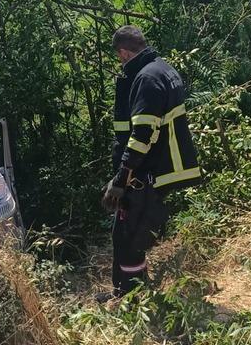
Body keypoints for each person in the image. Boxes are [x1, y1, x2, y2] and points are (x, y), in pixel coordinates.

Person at [97, 26, 201, 302]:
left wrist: (121, 179)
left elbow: (142, 135)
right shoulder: (163, 69)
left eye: (119, 57)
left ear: (123, 52)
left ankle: (130, 299)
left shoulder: (146, 78)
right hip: (158, 168)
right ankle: (130, 293)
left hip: (146, 172)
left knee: (128, 237)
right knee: (131, 234)